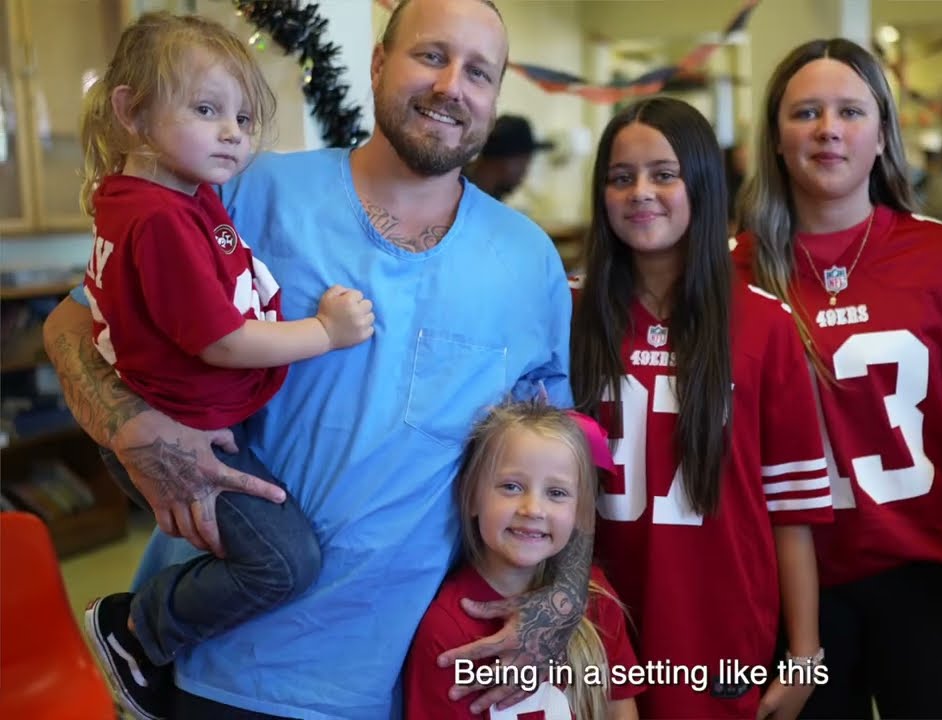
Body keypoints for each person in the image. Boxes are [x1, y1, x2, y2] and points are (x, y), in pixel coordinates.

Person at [42, 0, 585, 717]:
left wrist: (562, 599)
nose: (454, 84)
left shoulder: (528, 263)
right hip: (223, 665)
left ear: (495, 96)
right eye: (431, 55)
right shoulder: (240, 191)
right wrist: (130, 427)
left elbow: (565, 456)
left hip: (401, 677)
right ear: (377, 63)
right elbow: (71, 327)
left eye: (479, 71)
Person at [72, 13, 377, 719]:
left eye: (241, 116)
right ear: (132, 113)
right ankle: (138, 630)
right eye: (205, 110)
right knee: (285, 562)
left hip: (190, 418)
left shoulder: (174, 195)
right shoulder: (159, 219)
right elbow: (224, 341)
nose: (233, 133)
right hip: (178, 430)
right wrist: (326, 332)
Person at [734, 38, 942, 719]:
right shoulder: (734, 272)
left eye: (849, 111)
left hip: (933, 575)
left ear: (883, 133)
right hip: (793, 588)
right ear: (776, 138)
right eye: (805, 112)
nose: (828, 129)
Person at [570, 96, 832, 719]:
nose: (641, 192)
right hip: (593, 627)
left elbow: (791, 511)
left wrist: (804, 654)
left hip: (720, 633)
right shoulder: (567, 315)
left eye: (664, 174)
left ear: (703, 186)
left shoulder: (765, 325)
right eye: (620, 177)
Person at [406, 403, 641, 719]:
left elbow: (619, 709)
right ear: (471, 495)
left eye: (556, 493)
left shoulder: (596, 598)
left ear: (580, 510)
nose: (533, 508)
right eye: (511, 486)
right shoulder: (445, 629)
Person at [464, 114, 552, 202]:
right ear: (507, 162)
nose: (524, 173)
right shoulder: (461, 198)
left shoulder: (481, 196)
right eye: (523, 163)